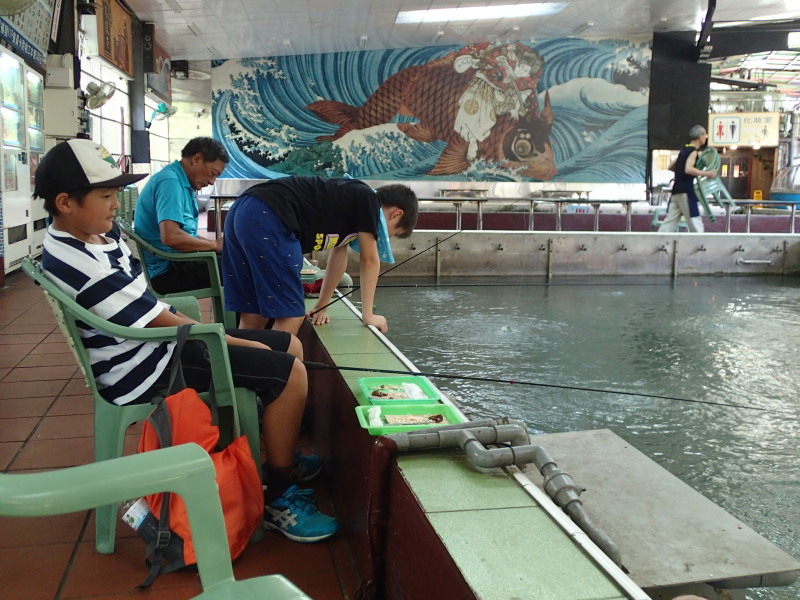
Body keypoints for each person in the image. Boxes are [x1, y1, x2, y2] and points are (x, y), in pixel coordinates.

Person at [34, 139, 336, 543]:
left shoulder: (94, 237)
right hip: (144, 367)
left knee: (289, 346)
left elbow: (149, 308)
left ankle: (277, 457)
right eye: (105, 196)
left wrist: (238, 342)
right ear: (65, 202)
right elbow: (157, 320)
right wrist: (234, 342)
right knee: (291, 372)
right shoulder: (79, 262)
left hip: (157, 345)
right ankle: (279, 496)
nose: (115, 204)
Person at [222, 176, 418, 335]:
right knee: (291, 316)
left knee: (253, 314)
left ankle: (244, 368)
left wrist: (321, 306)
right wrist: (369, 316)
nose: (384, 238)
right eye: (393, 233)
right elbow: (370, 260)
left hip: (243, 209)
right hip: (269, 215)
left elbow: (338, 256)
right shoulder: (369, 200)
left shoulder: (351, 200)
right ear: (396, 214)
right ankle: (273, 370)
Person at [134, 137, 228, 294]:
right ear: (196, 159)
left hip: (176, 261)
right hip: (167, 271)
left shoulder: (179, 180)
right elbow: (171, 237)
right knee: (242, 265)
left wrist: (216, 245)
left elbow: (184, 235)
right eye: (212, 173)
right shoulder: (170, 182)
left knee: (236, 256)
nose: (212, 181)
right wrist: (213, 246)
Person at [659, 125, 717, 233]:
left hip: (676, 190)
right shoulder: (693, 151)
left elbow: (670, 167)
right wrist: (707, 173)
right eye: (705, 135)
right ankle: (700, 243)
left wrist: (680, 170)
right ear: (700, 136)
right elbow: (688, 169)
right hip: (686, 190)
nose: (705, 138)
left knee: (669, 222)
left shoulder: (684, 150)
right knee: (695, 221)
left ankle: (658, 241)